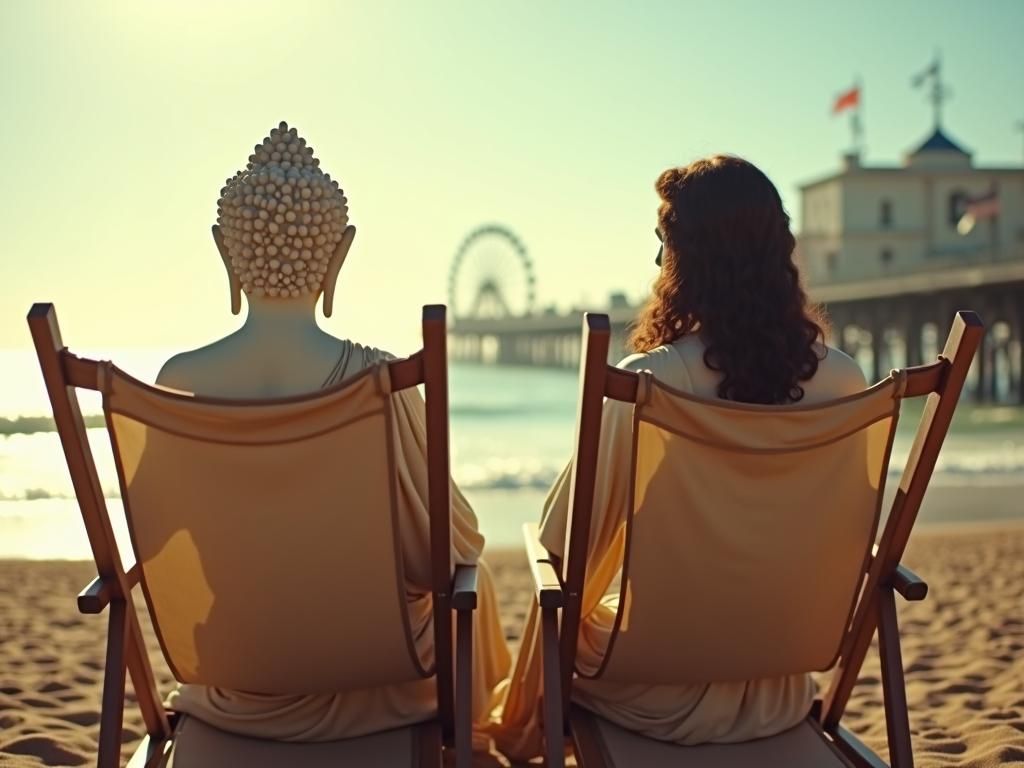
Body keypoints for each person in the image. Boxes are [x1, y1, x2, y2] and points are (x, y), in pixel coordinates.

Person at [492, 155, 867, 760]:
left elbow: (566, 541)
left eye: (663, 244)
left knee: (560, 584)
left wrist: (518, 716)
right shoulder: (848, 384)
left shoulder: (652, 382)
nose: (656, 262)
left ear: (690, 260)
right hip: (779, 687)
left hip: (654, 691)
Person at [156, 123, 510, 747]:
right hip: (373, 671)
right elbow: (453, 541)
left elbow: (156, 540)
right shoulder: (378, 380)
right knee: (468, 575)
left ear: (224, 251)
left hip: (236, 666)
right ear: (338, 254)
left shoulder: (176, 382)